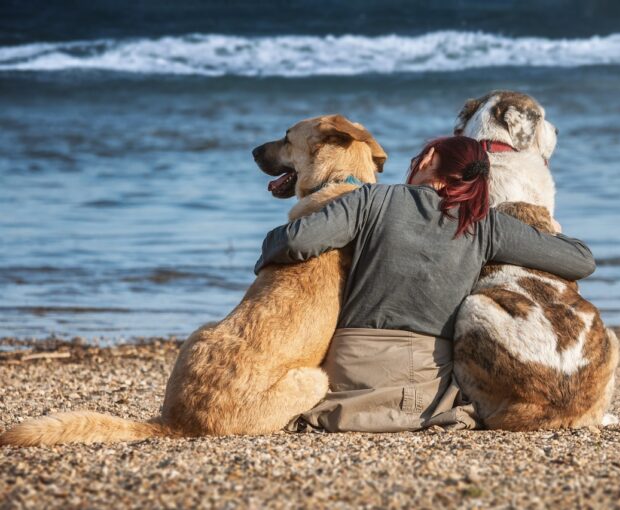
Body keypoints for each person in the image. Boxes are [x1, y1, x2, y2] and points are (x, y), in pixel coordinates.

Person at [254, 136, 596, 432]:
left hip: (350, 377)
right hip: (426, 392)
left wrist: (265, 254)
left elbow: (295, 243)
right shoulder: (486, 225)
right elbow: (581, 259)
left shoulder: (373, 200)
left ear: (429, 160)